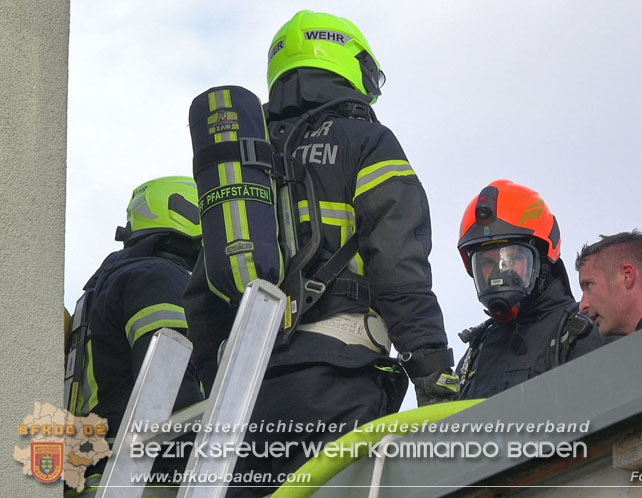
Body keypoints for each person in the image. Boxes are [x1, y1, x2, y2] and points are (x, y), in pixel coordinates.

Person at [183, 11, 456, 493]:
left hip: (247, 400)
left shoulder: (244, 167)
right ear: (347, 63)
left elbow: (203, 299)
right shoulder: (367, 142)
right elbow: (399, 265)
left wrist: (219, 387)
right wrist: (432, 370)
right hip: (337, 380)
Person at [65, 176, 204, 479]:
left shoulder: (108, 285)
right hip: (148, 475)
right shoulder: (158, 277)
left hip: (100, 469)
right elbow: (169, 381)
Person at [455, 180, 613, 400]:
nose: (498, 274)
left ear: (542, 262)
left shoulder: (581, 332)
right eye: (487, 264)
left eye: (511, 259)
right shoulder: (475, 353)